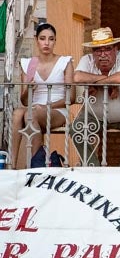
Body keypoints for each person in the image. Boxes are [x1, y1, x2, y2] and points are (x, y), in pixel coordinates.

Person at [70, 27, 120, 168]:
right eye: (98, 50)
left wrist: (94, 83)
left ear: (115, 50)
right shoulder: (86, 60)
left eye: (107, 49)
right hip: (94, 114)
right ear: (93, 52)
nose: (103, 54)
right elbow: (77, 77)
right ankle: (92, 166)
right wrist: (107, 81)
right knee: (76, 129)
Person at [11, 22, 73, 168]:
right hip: (34, 108)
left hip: (57, 109)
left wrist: (46, 106)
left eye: (51, 39)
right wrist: (29, 89)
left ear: (55, 41)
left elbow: (71, 97)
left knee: (29, 115)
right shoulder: (28, 63)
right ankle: (11, 164)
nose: (47, 43)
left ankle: (37, 164)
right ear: (36, 40)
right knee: (18, 113)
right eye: (43, 38)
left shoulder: (65, 62)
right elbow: (25, 101)